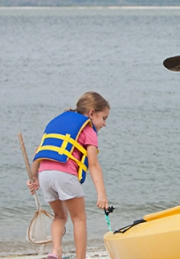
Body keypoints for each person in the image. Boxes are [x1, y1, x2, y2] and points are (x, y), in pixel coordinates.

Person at [26, 92, 111, 259]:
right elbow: (93, 165)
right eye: (104, 118)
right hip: (64, 175)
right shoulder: (88, 130)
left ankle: (55, 251)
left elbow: (38, 151)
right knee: (79, 219)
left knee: (60, 216)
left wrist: (34, 176)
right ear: (92, 113)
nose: (104, 124)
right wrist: (102, 194)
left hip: (45, 175)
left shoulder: (58, 122)